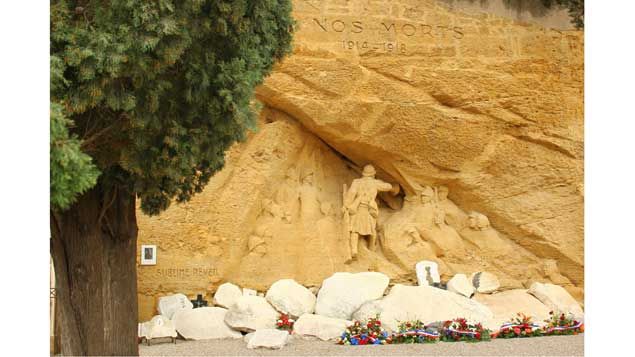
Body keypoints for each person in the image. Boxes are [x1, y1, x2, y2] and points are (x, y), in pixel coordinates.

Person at [343, 164, 399, 261]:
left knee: (355, 230)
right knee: (372, 230)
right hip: (369, 208)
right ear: (373, 174)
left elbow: (351, 194)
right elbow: (387, 186)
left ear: (363, 173)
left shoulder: (356, 182)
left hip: (358, 207)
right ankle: (371, 248)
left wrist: (346, 205)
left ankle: (354, 250)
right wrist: (393, 187)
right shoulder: (375, 183)